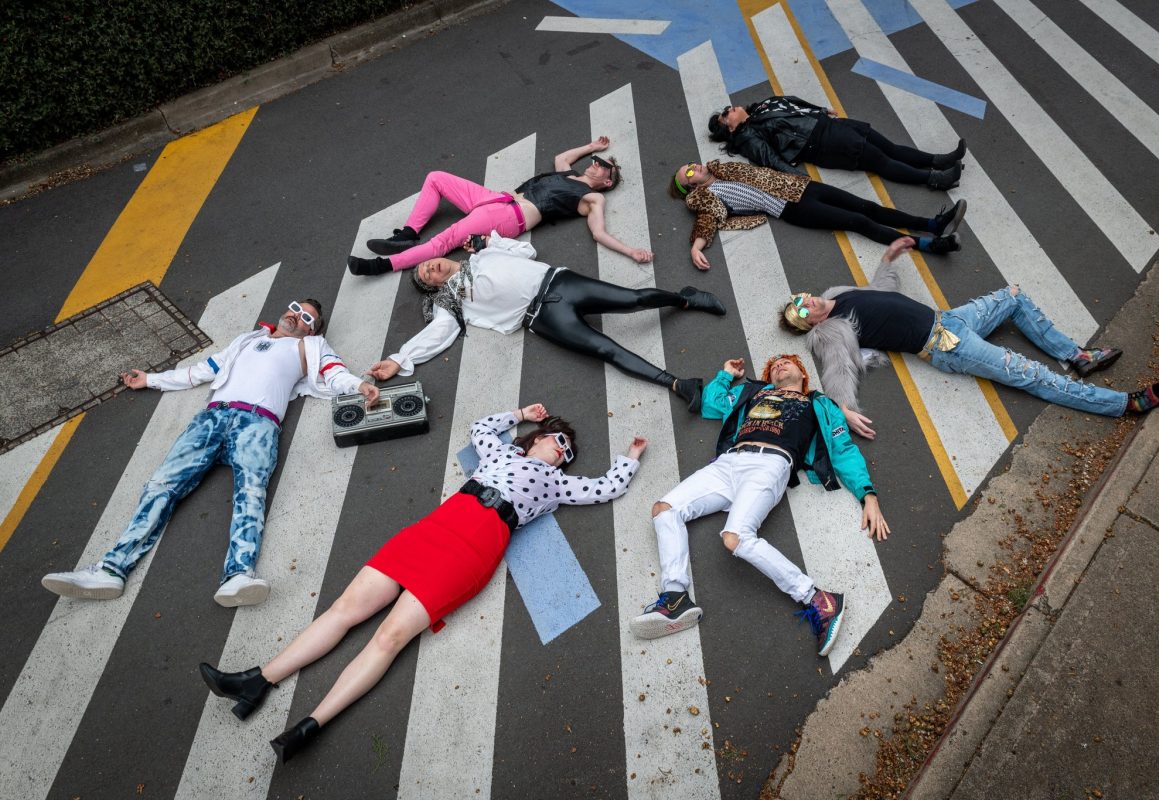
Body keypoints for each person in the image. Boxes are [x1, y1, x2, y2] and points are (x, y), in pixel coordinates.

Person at [199, 405, 647, 762]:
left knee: (388, 638)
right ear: (540, 438)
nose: (562, 452)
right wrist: (520, 415)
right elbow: (480, 429)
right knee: (344, 610)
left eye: (567, 452)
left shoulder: (557, 484)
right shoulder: (502, 454)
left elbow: (605, 488)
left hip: (474, 550)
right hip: (433, 530)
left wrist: (630, 458)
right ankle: (256, 681)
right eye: (559, 441)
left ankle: (308, 727)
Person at [41, 301, 379, 607]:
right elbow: (202, 370)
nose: (296, 316)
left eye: (307, 317)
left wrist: (359, 386)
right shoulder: (246, 341)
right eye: (295, 308)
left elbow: (334, 373)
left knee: (250, 494)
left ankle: (238, 577)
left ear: (312, 329)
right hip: (211, 417)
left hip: (258, 424)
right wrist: (151, 379)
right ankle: (110, 570)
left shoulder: (310, 346)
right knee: (162, 484)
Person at [780, 237, 1159, 440]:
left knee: (1013, 297)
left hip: (950, 319)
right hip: (947, 346)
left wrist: (888, 258)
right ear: (808, 327)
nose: (803, 302)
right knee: (1032, 375)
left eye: (798, 298)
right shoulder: (830, 334)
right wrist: (843, 408)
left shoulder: (836, 295)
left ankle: (1078, 356)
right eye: (798, 311)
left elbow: (879, 292)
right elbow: (838, 372)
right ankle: (1122, 404)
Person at [630, 354, 889, 658]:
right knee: (664, 509)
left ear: (802, 375)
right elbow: (712, 402)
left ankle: (818, 599)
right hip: (728, 463)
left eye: (787, 362)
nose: (780, 365)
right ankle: (674, 596)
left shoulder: (819, 404)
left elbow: (843, 449)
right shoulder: (754, 393)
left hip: (771, 464)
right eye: (774, 365)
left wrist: (867, 494)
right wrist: (726, 375)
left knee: (736, 537)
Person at [365, 231, 725, 411]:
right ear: (434, 286)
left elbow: (527, 252)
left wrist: (492, 240)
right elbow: (439, 330)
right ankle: (679, 385)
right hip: (543, 317)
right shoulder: (451, 299)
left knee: (632, 299)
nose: (431, 268)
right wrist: (399, 358)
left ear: (441, 256)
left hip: (560, 281)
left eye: (428, 263)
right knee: (605, 349)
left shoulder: (484, 250)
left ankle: (685, 298)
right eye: (427, 276)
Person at [347, 136, 653, 275]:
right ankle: (407, 234)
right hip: (496, 198)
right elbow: (563, 157)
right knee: (437, 177)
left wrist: (630, 251)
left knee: (444, 241)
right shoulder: (570, 172)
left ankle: (380, 266)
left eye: (603, 166)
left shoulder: (593, 198)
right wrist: (592, 147)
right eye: (596, 161)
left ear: (608, 182)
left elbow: (598, 233)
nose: (595, 164)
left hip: (512, 216)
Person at [672, 160, 966, 270]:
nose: (692, 166)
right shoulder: (708, 198)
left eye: (689, 163)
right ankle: (929, 244)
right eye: (688, 173)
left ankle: (932, 223)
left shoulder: (721, 167)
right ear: (691, 188)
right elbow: (706, 221)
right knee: (859, 222)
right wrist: (696, 246)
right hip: (793, 208)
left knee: (867, 206)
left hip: (801, 187)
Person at [708, 96, 965, 189]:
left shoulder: (758, 108)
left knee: (888, 147)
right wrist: (798, 178)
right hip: (821, 143)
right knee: (880, 160)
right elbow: (770, 159)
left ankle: (940, 160)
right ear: (730, 127)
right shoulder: (749, 137)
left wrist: (821, 108)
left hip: (828, 124)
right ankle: (935, 179)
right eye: (727, 112)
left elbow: (791, 101)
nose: (731, 107)